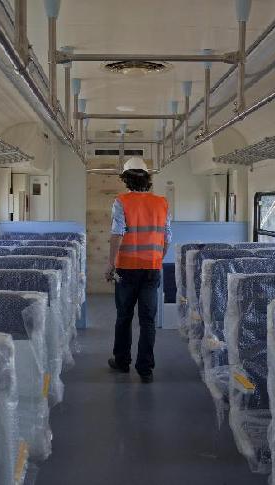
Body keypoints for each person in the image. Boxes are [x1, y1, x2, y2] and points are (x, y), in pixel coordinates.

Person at [105, 157, 171, 383]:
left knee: (124, 316)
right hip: (152, 268)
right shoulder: (162, 203)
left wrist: (110, 263)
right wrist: (156, 259)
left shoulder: (121, 201)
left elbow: (117, 233)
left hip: (126, 268)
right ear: (147, 179)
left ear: (126, 180)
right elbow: (167, 239)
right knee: (148, 320)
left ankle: (122, 362)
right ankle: (146, 369)